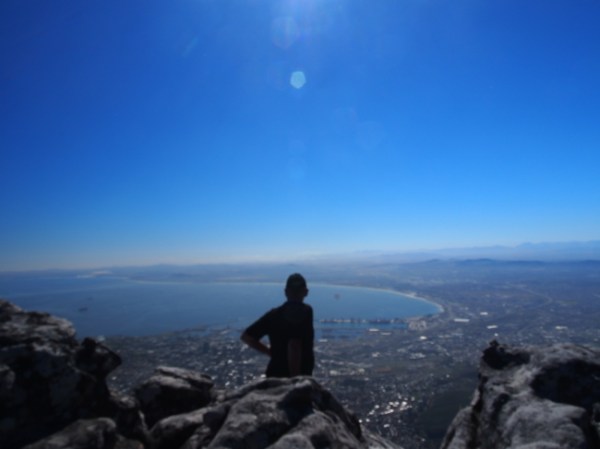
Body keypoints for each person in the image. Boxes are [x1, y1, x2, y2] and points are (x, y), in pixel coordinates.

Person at [240, 273, 314, 377]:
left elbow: (247, 337)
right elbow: (294, 346)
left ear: (286, 292)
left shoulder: (273, 315)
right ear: (306, 292)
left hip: (274, 375)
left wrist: (270, 352)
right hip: (296, 379)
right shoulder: (306, 311)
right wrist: (295, 381)